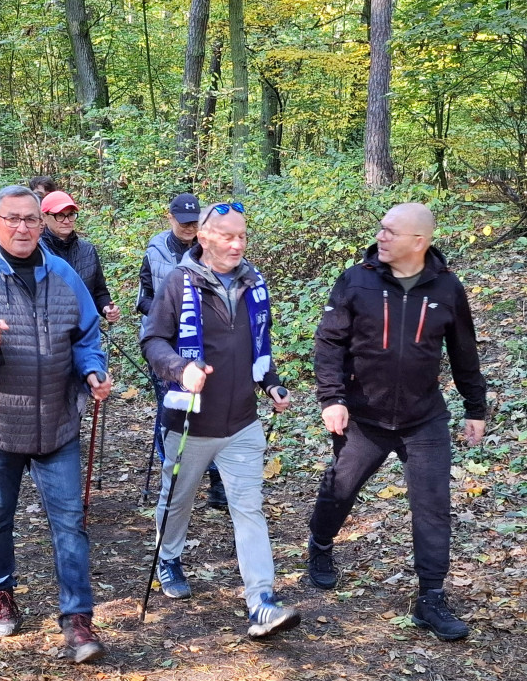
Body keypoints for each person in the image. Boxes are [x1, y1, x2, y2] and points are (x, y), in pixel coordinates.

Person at [0, 185, 112, 664]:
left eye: (30, 219)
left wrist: (92, 368)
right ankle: (0, 593)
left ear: (41, 222)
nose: (22, 227)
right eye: (12, 218)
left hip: (58, 422)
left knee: (71, 522)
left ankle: (77, 618)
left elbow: (87, 335)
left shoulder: (64, 273)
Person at [307, 202, 487, 642]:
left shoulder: (446, 288)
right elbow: (329, 342)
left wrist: (475, 407)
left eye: (390, 231)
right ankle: (321, 545)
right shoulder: (356, 279)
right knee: (341, 487)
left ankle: (431, 597)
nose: (380, 237)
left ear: (418, 242)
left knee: (432, 506)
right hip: (363, 417)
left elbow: (464, 350)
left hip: (423, 418)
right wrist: (332, 398)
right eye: (381, 229)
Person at [140, 201, 301, 639]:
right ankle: (169, 556)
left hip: (242, 424)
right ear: (204, 237)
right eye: (227, 236)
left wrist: (272, 384)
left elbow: (257, 346)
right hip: (191, 420)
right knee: (178, 499)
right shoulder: (177, 282)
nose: (236, 244)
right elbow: (152, 339)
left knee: (248, 508)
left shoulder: (254, 283)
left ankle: (262, 601)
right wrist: (179, 367)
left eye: (242, 236)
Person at [137, 193, 227, 509]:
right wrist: (171, 314)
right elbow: (143, 299)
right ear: (170, 217)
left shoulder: (212, 249)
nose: (189, 226)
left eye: (194, 220)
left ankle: (217, 484)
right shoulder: (155, 250)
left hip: (204, 346)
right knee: (171, 411)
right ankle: (173, 480)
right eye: (184, 220)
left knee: (210, 410)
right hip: (165, 348)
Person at [39, 190, 120, 323]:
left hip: (85, 333)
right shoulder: (35, 252)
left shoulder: (87, 250)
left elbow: (100, 292)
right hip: (48, 333)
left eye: (71, 215)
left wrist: (107, 309)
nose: (66, 221)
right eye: (59, 215)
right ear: (44, 217)